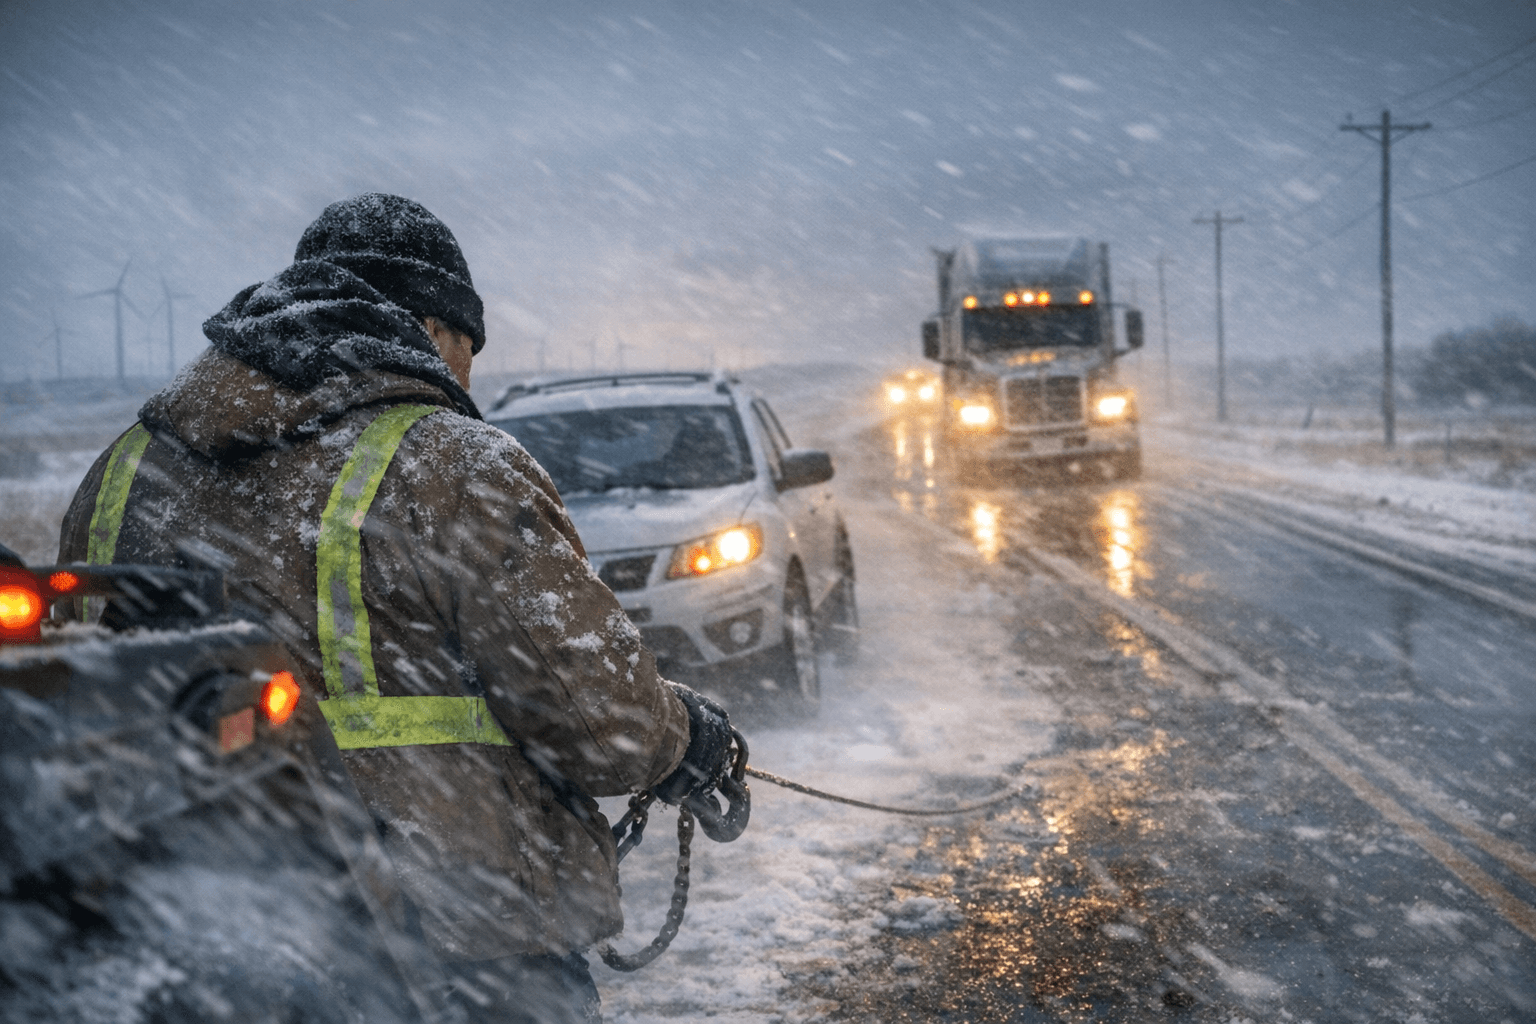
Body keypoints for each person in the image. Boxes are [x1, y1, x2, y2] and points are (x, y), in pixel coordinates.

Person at [58, 193, 739, 1023]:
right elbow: (599, 725)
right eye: (465, 348)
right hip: (447, 935)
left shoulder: (120, 468)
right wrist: (684, 740)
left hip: (180, 933)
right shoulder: (453, 463)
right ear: (427, 323)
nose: (464, 379)